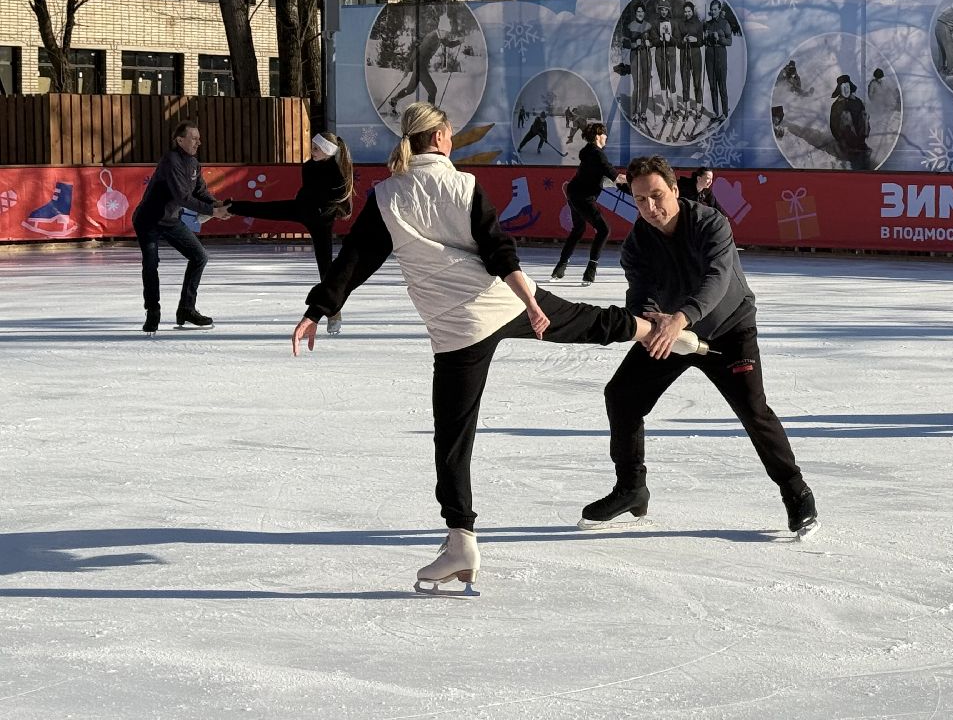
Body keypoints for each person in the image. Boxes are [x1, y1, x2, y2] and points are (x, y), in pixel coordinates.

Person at [291, 104, 705, 594]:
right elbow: (498, 251)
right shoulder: (463, 185)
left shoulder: (388, 195)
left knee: (453, 435)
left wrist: (319, 309)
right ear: (441, 137)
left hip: (456, 328)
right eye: (450, 132)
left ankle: (460, 538)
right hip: (501, 302)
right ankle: (654, 330)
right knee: (587, 320)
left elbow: (356, 258)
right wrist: (530, 302)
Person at [580, 155, 817, 536]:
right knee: (621, 395)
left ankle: (796, 491)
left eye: (657, 195)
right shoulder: (638, 243)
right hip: (674, 335)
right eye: (640, 200)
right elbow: (639, 295)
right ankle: (631, 488)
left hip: (729, 331)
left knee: (753, 410)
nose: (650, 207)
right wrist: (651, 322)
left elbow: (717, 279)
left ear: (675, 190)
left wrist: (680, 318)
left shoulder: (711, 223)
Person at [228, 132, 355, 334]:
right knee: (265, 209)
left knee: (325, 267)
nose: (312, 151)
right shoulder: (308, 167)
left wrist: (326, 210)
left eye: (316, 148)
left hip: (321, 220)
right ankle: (227, 208)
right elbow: (308, 192)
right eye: (312, 147)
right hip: (302, 209)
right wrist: (303, 202)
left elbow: (338, 199)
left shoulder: (336, 172)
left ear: (328, 151)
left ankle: (334, 312)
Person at [133, 120, 233, 333]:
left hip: (170, 220)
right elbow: (182, 197)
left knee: (199, 256)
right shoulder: (171, 160)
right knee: (151, 263)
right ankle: (153, 311)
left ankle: (186, 309)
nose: (198, 142)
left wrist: (217, 204)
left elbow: (199, 192)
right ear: (179, 140)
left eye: (199, 138)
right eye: (194, 138)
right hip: (148, 220)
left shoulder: (194, 163)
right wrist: (213, 212)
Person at [552, 122, 626, 285]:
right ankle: (590, 270)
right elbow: (617, 177)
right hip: (584, 197)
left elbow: (596, 177)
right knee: (604, 229)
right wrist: (637, 179)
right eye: (604, 133)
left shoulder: (588, 152)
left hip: (574, 193)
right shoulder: (598, 155)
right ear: (598, 136)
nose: (606, 137)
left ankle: (560, 267)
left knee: (578, 229)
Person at [385, 19, 462, 114]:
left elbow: (448, 44)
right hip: (419, 65)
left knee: (410, 89)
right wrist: (408, 68)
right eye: (446, 32)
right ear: (440, 29)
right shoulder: (431, 37)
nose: (447, 35)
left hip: (421, 65)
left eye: (447, 33)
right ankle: (430, 114)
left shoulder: (440, 36)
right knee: (432, 90)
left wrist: (459, 41)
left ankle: (393, 100)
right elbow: (416, 52)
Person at [829, 73, 873, 169]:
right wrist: (841, 139)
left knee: (864, 115)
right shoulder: (836, 106)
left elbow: (865, 120)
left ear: (850, 87)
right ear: (839, 89)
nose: (846, 89)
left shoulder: (858, 102)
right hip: (845, 142)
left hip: (860, 140)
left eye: (847, 86)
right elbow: (833, 126)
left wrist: (863, 133)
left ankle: (861, 149)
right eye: (843, 87)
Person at [701, 0, 734, 117]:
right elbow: (704, 41)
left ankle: (724, 113)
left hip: (720, 54)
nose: (713, 11)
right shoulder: (708, 24)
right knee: (712, 85)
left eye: (715, 9)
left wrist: (719, 39)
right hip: (709, 54)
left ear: (720, 10)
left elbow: (730, 41)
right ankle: (715, 112)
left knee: (722, 85)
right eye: (712, 9)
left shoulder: (725, 23)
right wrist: (705, 37)